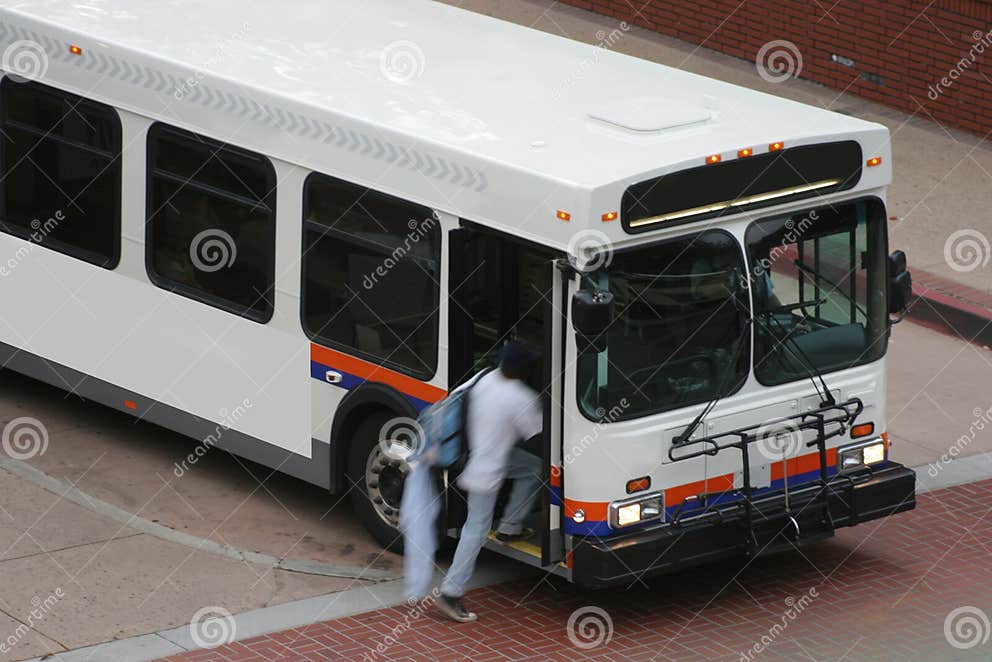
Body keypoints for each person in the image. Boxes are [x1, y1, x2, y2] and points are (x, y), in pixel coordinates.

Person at [435, 341, 543, 623]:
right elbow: (538, 435)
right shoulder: (521, 397)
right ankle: (450, 591)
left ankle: (509, 526)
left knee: (532, 468)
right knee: (476, 530)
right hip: (485, 470)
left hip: (468, 455)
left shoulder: (484, 377)